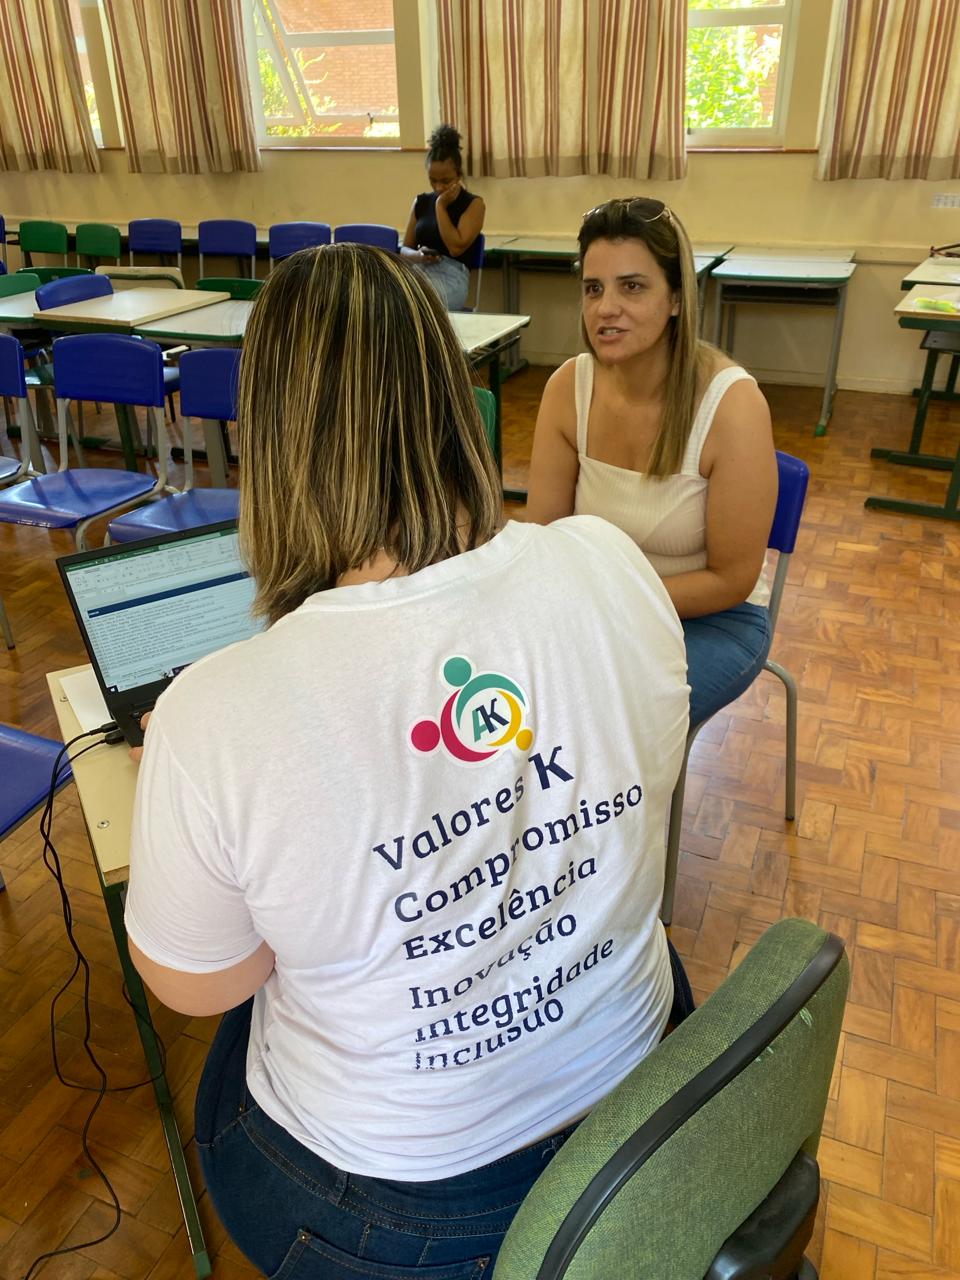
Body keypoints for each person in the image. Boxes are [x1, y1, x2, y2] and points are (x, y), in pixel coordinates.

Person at [124, 243, 690, 1277]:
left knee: (240, 1036)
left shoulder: (214, 711)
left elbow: (203, 986)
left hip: (413, 1208)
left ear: (270, 437)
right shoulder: (607, 559)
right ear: (451, 392)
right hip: (643, 1084)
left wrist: (213, 793)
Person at [525, 198, 779, 729]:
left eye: (632, 287)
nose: (605, 308)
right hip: (596, 607)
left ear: (676, 299)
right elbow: (545, 536)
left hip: (709, 619)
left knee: (605, 721)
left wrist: (608, 601)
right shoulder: (568, 387)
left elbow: (732, 579)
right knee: (516, 697)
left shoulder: (732, 405)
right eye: (593, 288)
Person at [401, 123, 484, 310]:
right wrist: (418, 255)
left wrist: (440, 206)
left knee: (418, 303)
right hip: (420, 271)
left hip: (452, 277)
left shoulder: (473, 204)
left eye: (446, 181)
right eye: (433, 180)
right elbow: (404, 250)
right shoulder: (421, 202)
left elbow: (455, 248)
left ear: (459, 175)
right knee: (390, 298)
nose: (439, 187)